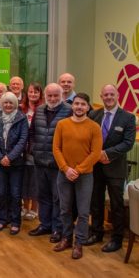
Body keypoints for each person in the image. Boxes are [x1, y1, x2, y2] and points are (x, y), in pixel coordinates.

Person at [86, 84, 136, 252]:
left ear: (118, 95)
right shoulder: (94, 115)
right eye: (105, 94)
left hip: (115, 168)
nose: (108, 97)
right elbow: (88, 138)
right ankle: (96, 232)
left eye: (111, 94)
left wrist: (106, 154)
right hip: (96, 167)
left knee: (116, 204)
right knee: (96, 202)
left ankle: (116, 238)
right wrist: (96, 155)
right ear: (101, 96)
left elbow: (128, 143)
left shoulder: (128, 118)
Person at [52, 93, 102, 259]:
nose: (79, 107)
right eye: (76, 104)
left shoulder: (94, 127)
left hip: (85, 175)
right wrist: (66, 169)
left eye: (83, 104)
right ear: (72, 106)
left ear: (88, 107)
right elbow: (56, 149)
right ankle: (67, 238)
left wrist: (78, 170)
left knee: (83, 211)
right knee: (65, 208)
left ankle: (79, 242)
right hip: (64, 174)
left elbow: (95, 153)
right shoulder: (62, 124)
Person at [28, 83, 72, 243]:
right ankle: (44, 224)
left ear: (61, 96)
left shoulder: (68, 110)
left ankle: (57, 228)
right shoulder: (39, 110)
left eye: (56, 95)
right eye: (50, 95)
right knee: (43, 195)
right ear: (45, 96)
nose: (53, 98)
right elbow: (32, 131)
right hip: (39, 161)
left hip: (58, 163)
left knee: (58, 198)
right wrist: (33, 149)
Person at [0, 92, 29, 235]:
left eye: (10, 103)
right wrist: (0, 157)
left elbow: (23, 140)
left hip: (16, 163)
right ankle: (2, 219)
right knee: (1, 192)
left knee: (15, 193)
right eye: (5, 103)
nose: (7, 105)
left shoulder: (21, 118)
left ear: (15, 104)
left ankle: (15, 221)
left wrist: (10, 157)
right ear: (1, 104)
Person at [21, 82, 45, 221]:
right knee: (24, 180)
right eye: (31, 91)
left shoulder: (42, 109)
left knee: (35, 182)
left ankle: (34, 209)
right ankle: (24, 207)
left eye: (36, 92)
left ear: (40, 94)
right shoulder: (21, 109)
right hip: (22, 151)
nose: (33, 94)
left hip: (36, 151)